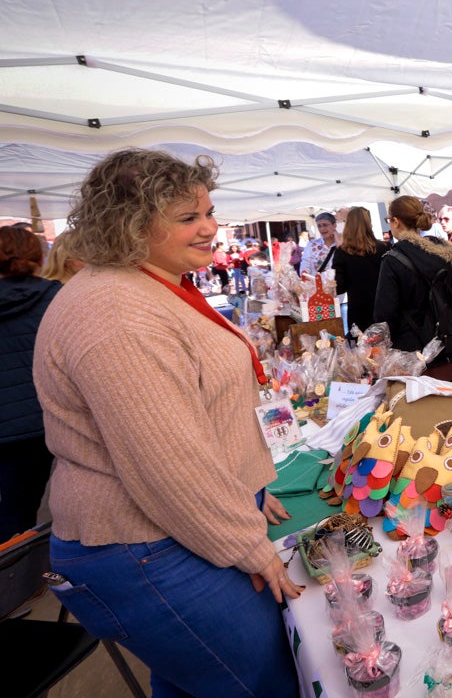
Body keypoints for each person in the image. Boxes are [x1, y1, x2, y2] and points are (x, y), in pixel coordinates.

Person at [32, 148, 302, 697]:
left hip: (170, 534)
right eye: (187, 217)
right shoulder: (117, 314)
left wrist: (248, 485)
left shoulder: (144, 286)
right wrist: (246, 542)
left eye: (209, 211)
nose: (209, 227)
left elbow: (192, 417)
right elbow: (169, 465)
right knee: (259, 682)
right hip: (150, 546)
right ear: (131, 225)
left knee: (195, 681)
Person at [0, 225, 62, 540]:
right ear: (39, 258)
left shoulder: (56, 295)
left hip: (13, 423)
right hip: (46, 417)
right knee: (28, 505)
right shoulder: (56, 297)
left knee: (14, 508)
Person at [375, 196, 452, 380]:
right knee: (446, 394)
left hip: (410, 352)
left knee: (417, 398)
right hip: (444, 343)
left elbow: (385, 313)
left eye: (388, 220)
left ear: (396, 221)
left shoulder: (393, 259)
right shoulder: (441, 251)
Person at [331, 206, 388, 336]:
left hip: (358, 313)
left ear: (348, 225)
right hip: (383, 310)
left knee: (362, 347)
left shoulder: (342, 252)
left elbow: (339, 287)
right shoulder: (384, 248)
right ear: (369, 224)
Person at [299, 211, 338, 276]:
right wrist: (305, 277)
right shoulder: (311, 245)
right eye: (319, 226)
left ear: (334, 225)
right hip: (317, 282)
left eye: (325, 225)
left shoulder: (343, 245)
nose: (322, 229)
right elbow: (305, 266)